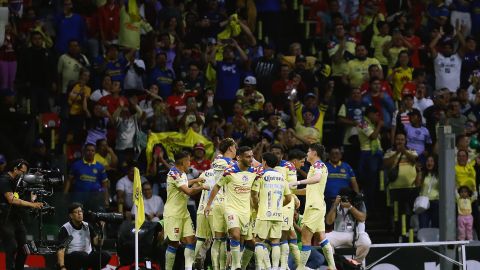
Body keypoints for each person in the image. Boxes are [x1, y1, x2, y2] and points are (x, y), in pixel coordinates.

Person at [204, 146, 258, 270]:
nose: (251, 159)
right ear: (239, 157)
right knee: (235, 234)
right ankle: (236, 265)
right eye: (248, 156)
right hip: (231, 209)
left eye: (252, 156)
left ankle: (240, 266)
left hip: (246, 211)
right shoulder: (229, 171)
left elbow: (256, 191)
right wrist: (208, 205)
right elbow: (217, 187)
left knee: (247, 241)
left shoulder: (254, 172)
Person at [290, 143, 336, 270]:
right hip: (318, 206)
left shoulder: (318, 165)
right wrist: (292, 191)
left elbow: (317, 178)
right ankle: (332, 266)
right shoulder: (313, 167)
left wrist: (297, 181)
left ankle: (300, 267)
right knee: (322, 237)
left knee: (305, 239)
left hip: (314, 207)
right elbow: (308, 189)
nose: (307, 154)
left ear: (314, 153)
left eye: (308, 151)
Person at [163, 151, 207, 270]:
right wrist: (202, 187)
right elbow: (188, 191)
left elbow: (185, 183)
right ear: (183, 162)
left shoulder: (181, 173)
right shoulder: (174, 174)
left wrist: (197, 179)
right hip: (173, 214)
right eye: (188, 161)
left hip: (184, 213)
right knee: (174, 243)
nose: (190, 163)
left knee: (190, 240)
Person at [251, 152, 292, 270]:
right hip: (278, 214)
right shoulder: (282, 178)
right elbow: (289, 198)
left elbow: (254, 194)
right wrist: (278, 206)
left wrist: (256, 207)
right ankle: (275, 267)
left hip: (264, 213)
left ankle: (259, 267)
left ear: (264, 162)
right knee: (275, 241)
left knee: (259, 241)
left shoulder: (261, 175)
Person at [0, 159, 43, 270]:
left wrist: (33, 197)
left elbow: (27, 194)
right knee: (12, 247)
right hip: (5, 219)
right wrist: (32, 205)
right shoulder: (4, 180)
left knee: (25, 248)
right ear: (15, 169)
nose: (24, 175)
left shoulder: (19, 182)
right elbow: (11, 200)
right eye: (22, 172)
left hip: (17, 218)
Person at [271, 144, 302, 269]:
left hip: (285, 203)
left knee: (285, 234)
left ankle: (284, 266)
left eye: (278, 153)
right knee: (273, 236)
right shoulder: (266, 166)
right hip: (269, 203)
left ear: (282, 155)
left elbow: (293, 186)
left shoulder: (288, 166)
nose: (275, 155)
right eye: (273, 152)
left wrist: (293, 196)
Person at [208, 138, 237, 270]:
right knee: (228, 240)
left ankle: (215, 267)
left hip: (215, 202)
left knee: (218, 239)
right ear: (231, 148)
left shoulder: (216, 162)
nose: (236, 150)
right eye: (235, 147)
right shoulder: (233, 164)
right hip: (228, 203)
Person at [383, 133, 418, 241]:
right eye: (398, 139)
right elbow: (386, 164)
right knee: (397, 215)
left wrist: (404, 152)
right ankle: (397, 235)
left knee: (409, 213)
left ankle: (408, 236)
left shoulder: (411, 150)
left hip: (410, 188)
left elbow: (414, 160)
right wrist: (397, 152)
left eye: (402, 139)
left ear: (405, 141)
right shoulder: (390, 152)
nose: (400, 141)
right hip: (395, 189)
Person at [57, 203, 111, 270]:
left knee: (106, 255)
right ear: (71, 216)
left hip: (86, 257)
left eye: (80, 211)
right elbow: (61, 250)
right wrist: (62, 267)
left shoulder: (87, 226)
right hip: (72, 259)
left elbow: (98, 243)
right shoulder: (66, 228)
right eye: (76, 212)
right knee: (83, 255)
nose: (79, 213)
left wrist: (101, 230)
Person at [326, 187, 371, 263]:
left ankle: (357, 262)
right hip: (338, 232)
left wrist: (350, 207)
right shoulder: (336, 203)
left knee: (366, 242)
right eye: (343, 198)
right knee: (325, 240)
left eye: (348, 198)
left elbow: (362, 218)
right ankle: (333, 264)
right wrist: (334, 205)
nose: (346, 200)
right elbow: (329, 222)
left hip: (357, 233)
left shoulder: (359, 201)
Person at [64, 144, 110, 210]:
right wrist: (65, 194)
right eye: (88, 150)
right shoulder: (76, 165)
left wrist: (106, 199)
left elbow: (104, 185)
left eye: (92, 151)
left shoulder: (100, 167)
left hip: (95, 198)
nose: (90, 152)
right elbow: (69, 180)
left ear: (95, 152)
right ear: (84, 151)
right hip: (79, 197)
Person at [193, 168, 216, 268]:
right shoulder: (229, 172)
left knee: (201, 239)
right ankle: (216, 267)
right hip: (218, 209)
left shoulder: (205, 173)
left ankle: (197, 262)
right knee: (220, 240)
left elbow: (194, 188)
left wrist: (202, 186)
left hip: (202, 208)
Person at [415, 154, 440, 228]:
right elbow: (417, 184)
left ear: (435, 163)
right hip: (424, 203)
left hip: (436, 202)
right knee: (423, 225)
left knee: (435, 226)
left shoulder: (439, 174)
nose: (429, 163)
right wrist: (419, 172)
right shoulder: (422, 174)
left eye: (432, 161)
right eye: (428, 161)